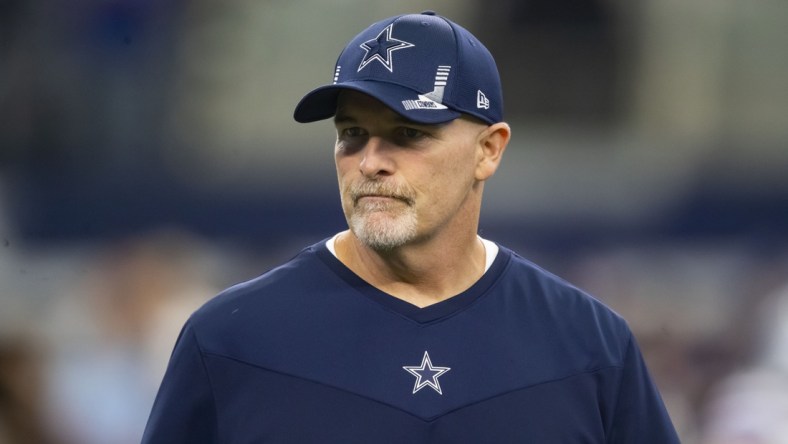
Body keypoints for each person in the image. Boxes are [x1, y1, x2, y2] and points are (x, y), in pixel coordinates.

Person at [142, 11, 679, 443]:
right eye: (351, 133)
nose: (370, 161)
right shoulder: (231, 338)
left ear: (488, 151)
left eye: (408, 133)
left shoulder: (588, 346)